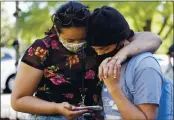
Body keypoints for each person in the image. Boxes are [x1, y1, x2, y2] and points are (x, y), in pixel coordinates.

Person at [11, 1, 162, 120]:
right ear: (57, 30)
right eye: (70, 39)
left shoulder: (98, 42)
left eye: (81, 39)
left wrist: (120, 56)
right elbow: (18, 100)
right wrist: (56, 108)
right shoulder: (42, 49)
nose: (77, 44)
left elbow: (153, 38)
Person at [86, 6, 162, 119]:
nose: (99, 54)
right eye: (95, 49)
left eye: (104, 49)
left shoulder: (145, 66)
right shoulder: (108, 61)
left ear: (122, 40)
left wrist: (113, 88)